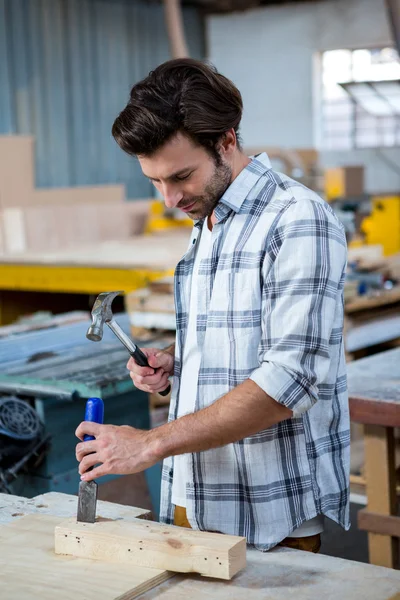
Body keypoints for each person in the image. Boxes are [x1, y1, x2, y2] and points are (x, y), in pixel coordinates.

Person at [76, 58, 350, 553]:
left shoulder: (298, 218)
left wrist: (149, 442)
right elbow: (240, 328)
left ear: (226, 140)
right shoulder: (209, 219)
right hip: (194, 488)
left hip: (266, 505)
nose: (168, 199)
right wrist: (179, 360)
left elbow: (291, 378)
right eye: (154, 181)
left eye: (180, 176)